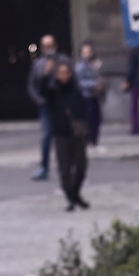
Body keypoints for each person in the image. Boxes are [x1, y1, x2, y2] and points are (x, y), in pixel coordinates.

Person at [42, 61, 90, 212]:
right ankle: (70, 197)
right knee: (65, 167)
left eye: (66, 72)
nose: (64, 76)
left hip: (77, 133)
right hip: (61, 133)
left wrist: (86, 131)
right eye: (60, 73)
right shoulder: (54, 92)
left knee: (81, 165)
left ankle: (75, 193)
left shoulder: (76, 91)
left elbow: (83, 111)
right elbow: (43, 91)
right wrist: (46, 74)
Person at [27, 35, 68, 180]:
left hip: (61, 103)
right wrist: (37, 99)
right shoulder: (38, 64)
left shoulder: (63, 61)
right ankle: (44, 167)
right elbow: (32, 84)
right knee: (46, 136)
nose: (48, 49)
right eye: (45, 46)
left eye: (50, 45)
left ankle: (67, 166)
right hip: (46, 104)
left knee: (65, 136)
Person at [74, 42, 105, 148]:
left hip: (94, 95)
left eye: (88, 52)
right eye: (84, 52)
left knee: (97, 118)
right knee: (89, 118)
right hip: (85, 95)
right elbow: (79, 82)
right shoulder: (80, 67)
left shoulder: (94, 64)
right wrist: (93, 85)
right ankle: (89, 139)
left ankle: (95, 139)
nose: (87, 54)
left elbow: (100, 77)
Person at [123, 48, 139, 136]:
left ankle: (136, 127)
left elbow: (131, 69)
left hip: (136, 82)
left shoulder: (134, 53)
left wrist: (127, 80)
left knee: (134, 106)